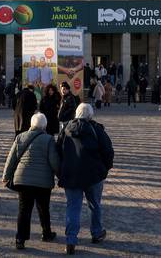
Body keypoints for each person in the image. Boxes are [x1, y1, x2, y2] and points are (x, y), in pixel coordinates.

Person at [57, 103, 114, 254]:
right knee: (94, 205)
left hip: (71, 175)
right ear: (90, 115)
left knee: (73, 207)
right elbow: (108, 151)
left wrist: (62, 169)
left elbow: (58, 151)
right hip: (93, 175)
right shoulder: (96, 129)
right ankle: (96, 233)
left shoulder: (66, 129)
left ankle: (70, 240)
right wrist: (104, 169)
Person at [3, 112, 60, 251]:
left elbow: (11, 158)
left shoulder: (20, 137)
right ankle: (46, 233)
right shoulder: (49, 139)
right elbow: (54, 161)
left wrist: (6, 175)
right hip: (43, 181)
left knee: (24, 209)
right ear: (44, 125)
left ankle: (20, 239)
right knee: (43, 208)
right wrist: (61, 175)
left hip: (23, 179)